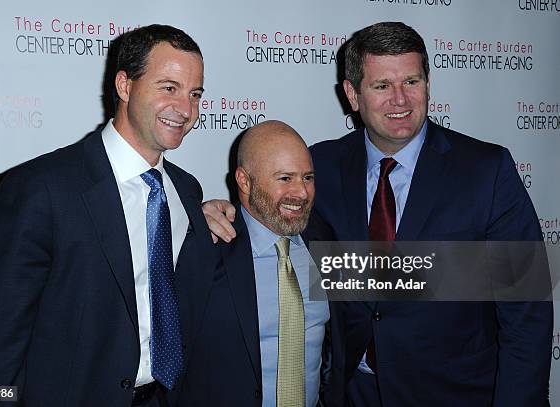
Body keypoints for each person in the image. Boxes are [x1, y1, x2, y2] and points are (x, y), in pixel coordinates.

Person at [203, 22, 553, 407]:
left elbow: (527, 312)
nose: (400, 99)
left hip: (455, 394)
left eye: (412, 82)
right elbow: (273, 212)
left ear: (428, 84)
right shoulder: (322, 166)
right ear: (353, 95)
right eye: (382, 86)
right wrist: (216, 213)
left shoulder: (486, 171)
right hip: (352, 394)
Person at [0, 24, 216, 406]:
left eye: (195, 94)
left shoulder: (187, 192)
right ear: (124, 86)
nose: (185, 109)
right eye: (168, 88)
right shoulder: (39, 189)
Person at [179, 120, 329, 407]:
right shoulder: (206, 248)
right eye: (285, 178)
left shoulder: (322, 242)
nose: (301, 193)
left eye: (307, 177)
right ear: (244, 181)